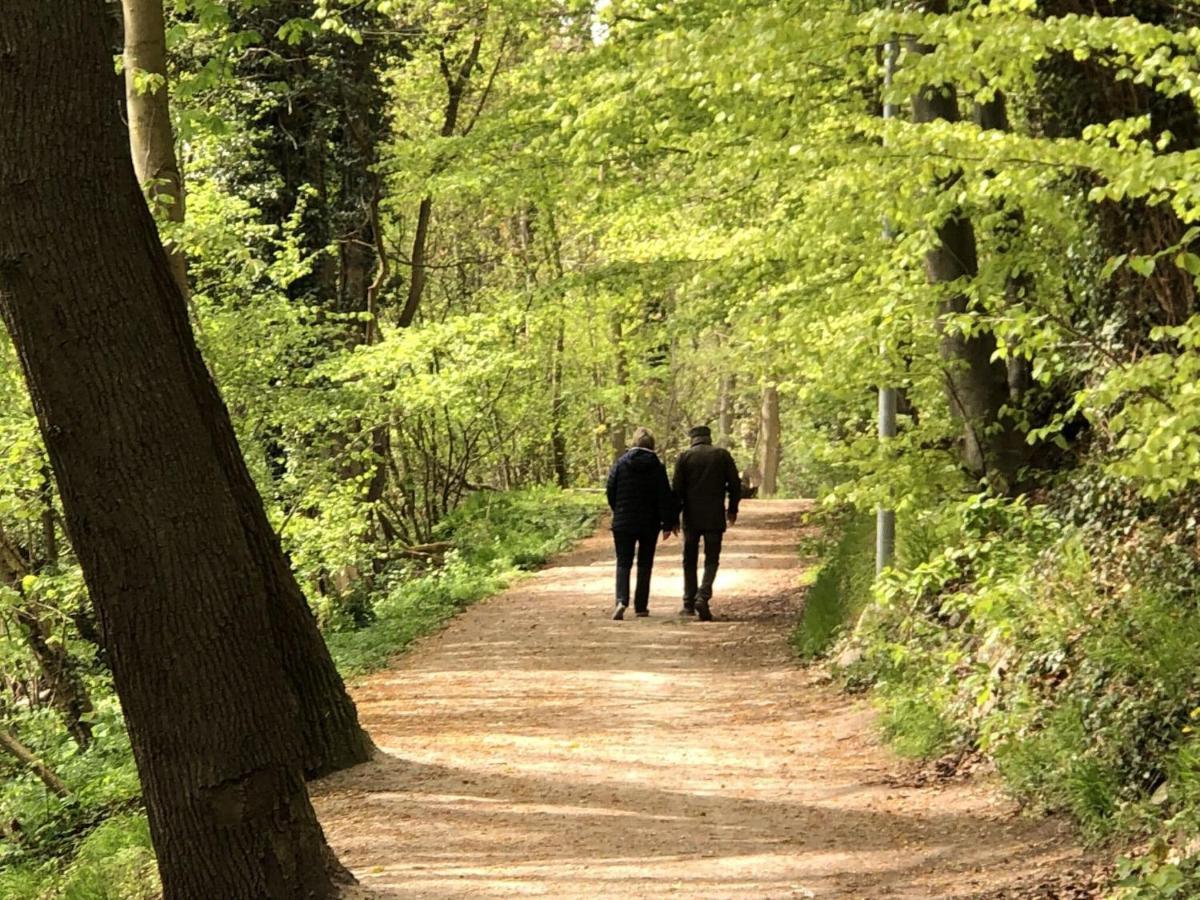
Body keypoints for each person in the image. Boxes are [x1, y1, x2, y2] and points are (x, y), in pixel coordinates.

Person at [605, 427, 678, 620]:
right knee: (645, 563)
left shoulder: (620, 464)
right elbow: (664, 495)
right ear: (651, 445)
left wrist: (618, 510)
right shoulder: (657, 466)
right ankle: (641, 606)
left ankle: (621, 600)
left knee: (623, 562)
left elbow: (610, 489)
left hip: (623, 521)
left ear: (634, 443)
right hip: (649, 523)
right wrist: (667, 523)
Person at [672, 424, 740, 621]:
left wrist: (673, 517)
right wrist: (732, 509)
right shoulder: (722, 455)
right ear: (709, 438)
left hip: (691, 517)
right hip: (714, 516)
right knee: (712, 558)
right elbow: (734, 484)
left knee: (689, 559)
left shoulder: (684, 457)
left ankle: (688, 603)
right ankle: (703, 594)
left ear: (692, 439)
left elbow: (677, 489)